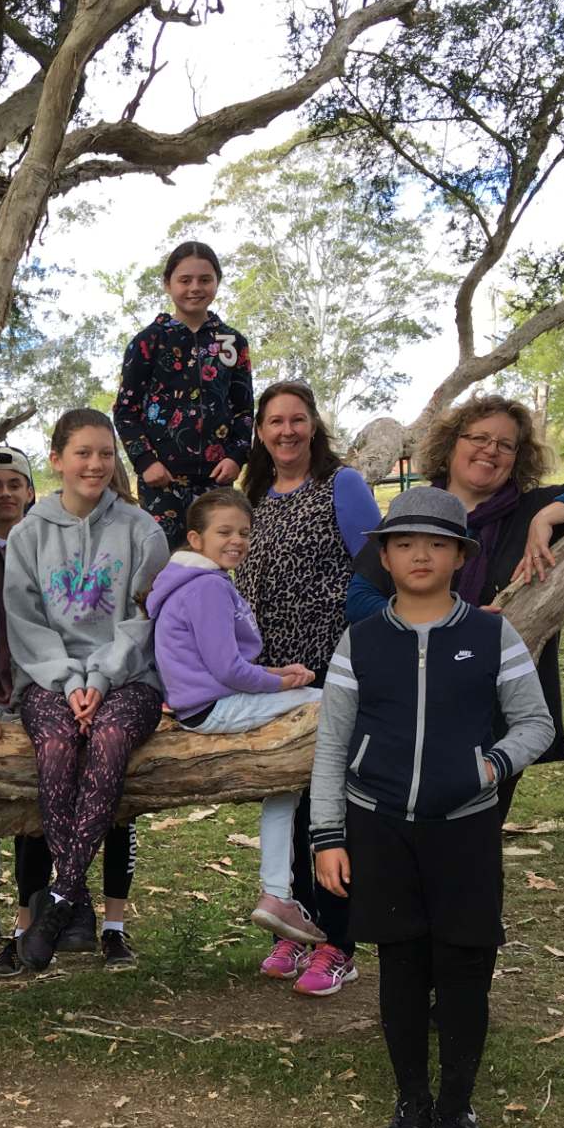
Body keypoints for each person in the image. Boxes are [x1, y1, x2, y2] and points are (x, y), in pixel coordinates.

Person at [312, 487, 554, 1128]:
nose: (421, 554)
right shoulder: (360, 641)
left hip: (464, 830)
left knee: (464, 966)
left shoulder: (488, 633)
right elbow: (331, 745)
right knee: (402, 966)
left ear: (458, 557)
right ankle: (411, 1102)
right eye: (406, 543)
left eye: (438, 544)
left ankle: (456, 1108)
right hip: (380, 825)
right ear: (384, 556)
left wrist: (490, 769)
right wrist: (328, 836)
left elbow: (535, 723)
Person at [345, 394, 564, 824]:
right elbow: (359, 599)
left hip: (497, 709)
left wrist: (548, 518)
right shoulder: (416, 510)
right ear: (451, 444)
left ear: (518, 457)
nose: (490, 450)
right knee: (395, 831)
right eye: (479, 437)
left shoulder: (532, 509)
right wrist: (443, 628)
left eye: (505, 444)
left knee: (474, 835)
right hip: (407, 696)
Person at [0, 446, 140, 975]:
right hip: (6, 692)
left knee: (111, 781)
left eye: (16, 484)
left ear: (33, 490)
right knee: (23, 807)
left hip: (71, 682)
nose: (6, 493)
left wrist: (87, 679)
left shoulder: (66, 538)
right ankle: (12, 919)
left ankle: (108, 924)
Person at [2, 409, 168, 972]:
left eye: (105, 453)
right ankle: (71, 900)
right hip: (49, 677)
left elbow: (145, 620)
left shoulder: (142, 531)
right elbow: (25, 622)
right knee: (54, 746)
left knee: (112, 735)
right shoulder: (28, 534)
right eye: (83, 453)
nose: (96, 464)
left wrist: (99, 680)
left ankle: (63, 897)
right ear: (57, 461)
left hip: (129, 677)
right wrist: (70, 681)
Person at [231, 381, 381, 994]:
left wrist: (368, 659)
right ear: (260, 432)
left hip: (332, 669)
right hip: (272, 677)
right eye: (274, 422)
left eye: (297, 420)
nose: (286, 431)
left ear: (313, 426)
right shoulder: (253, 493)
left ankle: (339, 944)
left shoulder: (340, 485)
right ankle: (295, 936)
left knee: (331, 813)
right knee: (284, 804)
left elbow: (375, 569)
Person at [147, 490, 328, 975]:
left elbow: (223, 662)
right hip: (214, 706)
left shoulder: (196, 580)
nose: (237, 540)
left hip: (210, 701)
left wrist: (276, 672)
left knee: (284, 781)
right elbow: (228, 670)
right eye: (224, 532)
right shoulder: (206, 586)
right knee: (328, 704)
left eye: (244, 532)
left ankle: (277, 893)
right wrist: (279, 682)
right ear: (195, 538)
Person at [113, 240, 254, 552]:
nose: (195, 288)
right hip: (162, 484)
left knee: (213, 563)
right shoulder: (148, 342)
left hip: (216, 483)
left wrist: (236, 456)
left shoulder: (231, 342)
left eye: (205, 280)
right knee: (164, 567)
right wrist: (145, 460)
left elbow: (244, 411)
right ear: (167, 284)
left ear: (217, 281)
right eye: (185, 280)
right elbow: (125, 410)